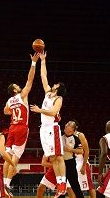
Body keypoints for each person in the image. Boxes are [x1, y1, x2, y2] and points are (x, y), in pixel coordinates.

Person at [30, 51, 67, 197]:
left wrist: (40, 110)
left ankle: (62, 184)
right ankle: (60, 186)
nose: (53, 83)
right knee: (52, 158)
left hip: (52, 128)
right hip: (43, 130)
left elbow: (53, 112)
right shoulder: (47, 93)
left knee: (58, 157)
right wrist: (43, 60)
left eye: (56, 83)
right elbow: (43, 76)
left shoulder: (59, 98)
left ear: (58, 88)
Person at [3, 52, 40, 193]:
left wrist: (13, 111)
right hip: (21, 129)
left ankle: (4, 184)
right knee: (16, 158)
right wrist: (33, 63)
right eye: (17, 86)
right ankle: (7, 184)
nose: (19, 86)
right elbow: (30, 80)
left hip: (11, 128)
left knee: (7, 158)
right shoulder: (22, 95)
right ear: (14, 90)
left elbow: (5, 111)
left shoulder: (9, 101)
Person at [71, 121, 96, 198]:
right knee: (74, 186)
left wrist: (83, 166)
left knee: (89, 185)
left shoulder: (80, 135)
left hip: (82, 162)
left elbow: (87, 151)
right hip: (74, 162)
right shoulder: (69, 137)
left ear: (76, 127)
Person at [62, 121, 84, 198]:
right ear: (64, 128)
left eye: (70, 131)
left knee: (75, 185)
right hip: (61, 163)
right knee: (61, 185)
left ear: (74, 131)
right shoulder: (59, 137)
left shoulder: (76, 139)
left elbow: (81, 151)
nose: (68, 132)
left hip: (70, 163)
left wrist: (71, 150)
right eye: (66, 130)